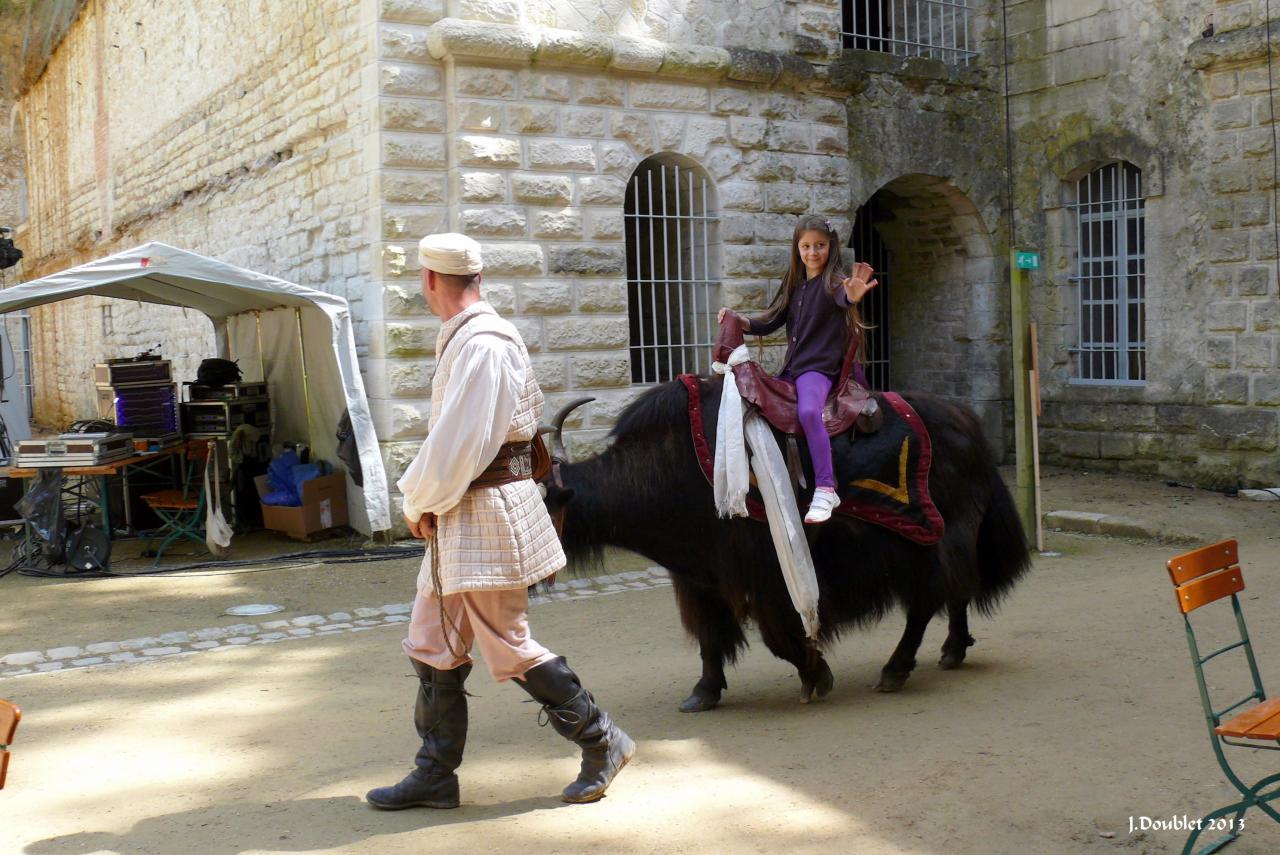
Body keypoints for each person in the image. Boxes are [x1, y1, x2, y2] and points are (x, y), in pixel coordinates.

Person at [367, 232, 634, 811]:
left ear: (430, 281)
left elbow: (464, 443)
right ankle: (435, 774)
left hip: (484, 511)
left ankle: (603, 739)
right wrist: (431, 499)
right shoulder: (467, 338)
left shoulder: (483, 344)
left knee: (507, 646)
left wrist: (419, 501)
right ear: (476, 279)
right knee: (432, 641)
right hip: (466, 511)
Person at [717, 214, 878, 524]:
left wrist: (852, 294)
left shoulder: (833, 283)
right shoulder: (796, 285)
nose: (813, 253)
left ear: (830, 247)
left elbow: (845, 296)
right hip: (791, 370)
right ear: (797, 248)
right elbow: (770, 320)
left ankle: (826, 488)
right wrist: (739, 319)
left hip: (817, 371)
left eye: (819, 245)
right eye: (806, 246)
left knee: (807, 413)